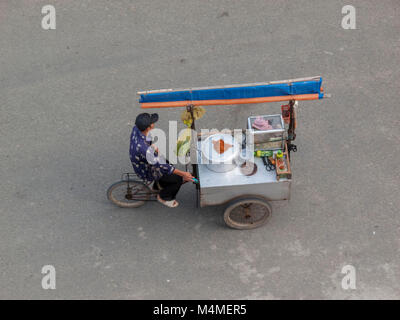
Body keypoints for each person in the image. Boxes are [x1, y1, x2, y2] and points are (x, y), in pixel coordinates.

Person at [129, 113, 195, 208]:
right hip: (147, 169)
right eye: (152, 122)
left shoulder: (137, 129)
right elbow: (163, 167)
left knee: (169, 165)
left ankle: (157, 186)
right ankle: (164, 197)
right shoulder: (144, 149)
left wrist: (151, 146)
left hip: (143, 159)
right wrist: (183, 174)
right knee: (177, 179)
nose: (153, 124)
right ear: (149, 127)